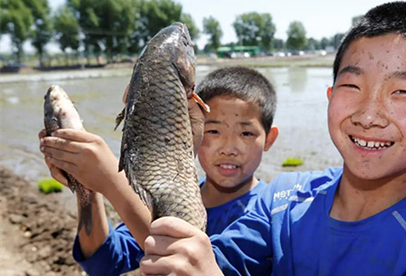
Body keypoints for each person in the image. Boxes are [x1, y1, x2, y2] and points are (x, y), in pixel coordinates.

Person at [139, 2, 406, 276]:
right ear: (330, 95)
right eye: (352, 86)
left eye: (402, 91)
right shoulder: (281, 201)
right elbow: (196, 259)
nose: (368, 115)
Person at [38, 66, 279, 275]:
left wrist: (112, 180)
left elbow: (199, 267)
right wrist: (87, 188)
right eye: (214, 131)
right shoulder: (161, 195)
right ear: (187, 128)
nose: (228, 148)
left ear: (269, 139)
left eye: (246, 133)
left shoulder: (270, 213)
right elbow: (104, 261)